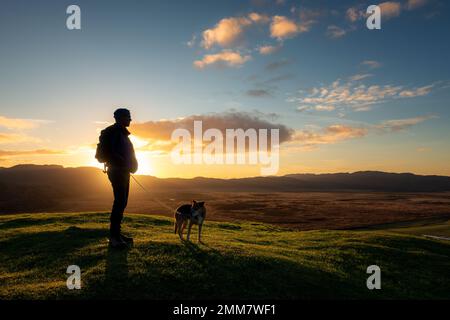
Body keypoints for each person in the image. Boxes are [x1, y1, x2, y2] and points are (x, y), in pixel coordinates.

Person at [98, 108, 138, 248]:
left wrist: (131, 165)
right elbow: (108, 153)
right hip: (117, 172)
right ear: (120, 117)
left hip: (122, 172)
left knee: (122, 202)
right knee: (120, 202)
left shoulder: (121, 133)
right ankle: (114, 238)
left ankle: (117, 234)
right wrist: (122, 162)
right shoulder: (113, 132)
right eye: (128, 116)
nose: (130, 119)